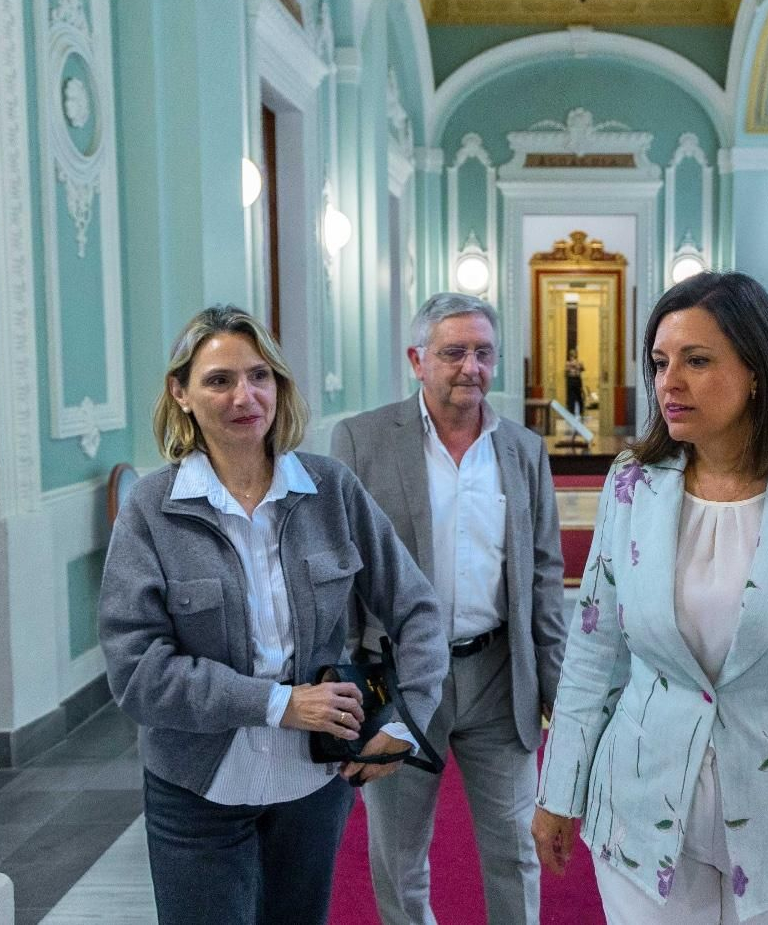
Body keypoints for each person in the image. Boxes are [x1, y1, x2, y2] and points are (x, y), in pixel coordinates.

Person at [532, 271, 768, 925]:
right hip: (641, 807)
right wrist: (558, 790)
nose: (669, 381)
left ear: (758, 369)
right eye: (659, 363)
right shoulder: (634, 485)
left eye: (697, 360)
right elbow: (594, 654)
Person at [99, 305, 447, 925]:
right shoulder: (152, 510)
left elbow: (417, 609)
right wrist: (277, 703)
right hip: (197, 789)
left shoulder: (329, 489)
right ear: (180, 393)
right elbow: (136, 674)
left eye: (260, 376)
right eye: (219, 380)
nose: (244, 396)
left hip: (313, 786)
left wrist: (407, 717)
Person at [330, 292, 567, 925]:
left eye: (484, 353)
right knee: (399, 857)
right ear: (417, 359)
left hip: (497, 677)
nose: (471, 367)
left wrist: (555, 685)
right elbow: (341, 571)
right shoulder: (362, 440)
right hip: (398, 679)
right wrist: (348, 688)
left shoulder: (522, 449)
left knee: (514, 849)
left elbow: (543, 577)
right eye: (453, 352)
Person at [565, 349, 587, 418]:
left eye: (574, 353)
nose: (573, 355)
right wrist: (570, 367)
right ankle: (571, 411)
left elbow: (583, 369)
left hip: (577, 380)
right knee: (571, 397)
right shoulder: (567, 363)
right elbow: (566, 372)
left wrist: (579, 366)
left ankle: (581, 411)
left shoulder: (579, 362)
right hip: (571, 380)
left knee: (579, 396)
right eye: (572, 354)